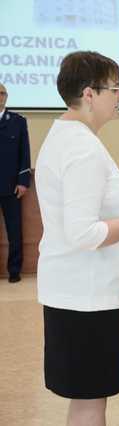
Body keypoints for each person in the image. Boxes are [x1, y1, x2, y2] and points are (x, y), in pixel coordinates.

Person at [35, 51, 119, 426]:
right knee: (91, 399)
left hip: (78, 291)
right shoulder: (81, 149)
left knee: (85, 397)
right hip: (84, 296)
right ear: (89, 94)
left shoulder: (71, 137)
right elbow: (85, 233)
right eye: (115, 88)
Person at [0, 83, 31, 283]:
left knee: (14, 231)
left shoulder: (18, 122)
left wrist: (23, 182)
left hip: (11, 186)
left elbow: (24, 154)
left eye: (2, 93)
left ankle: (14, 271)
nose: (0, 96)